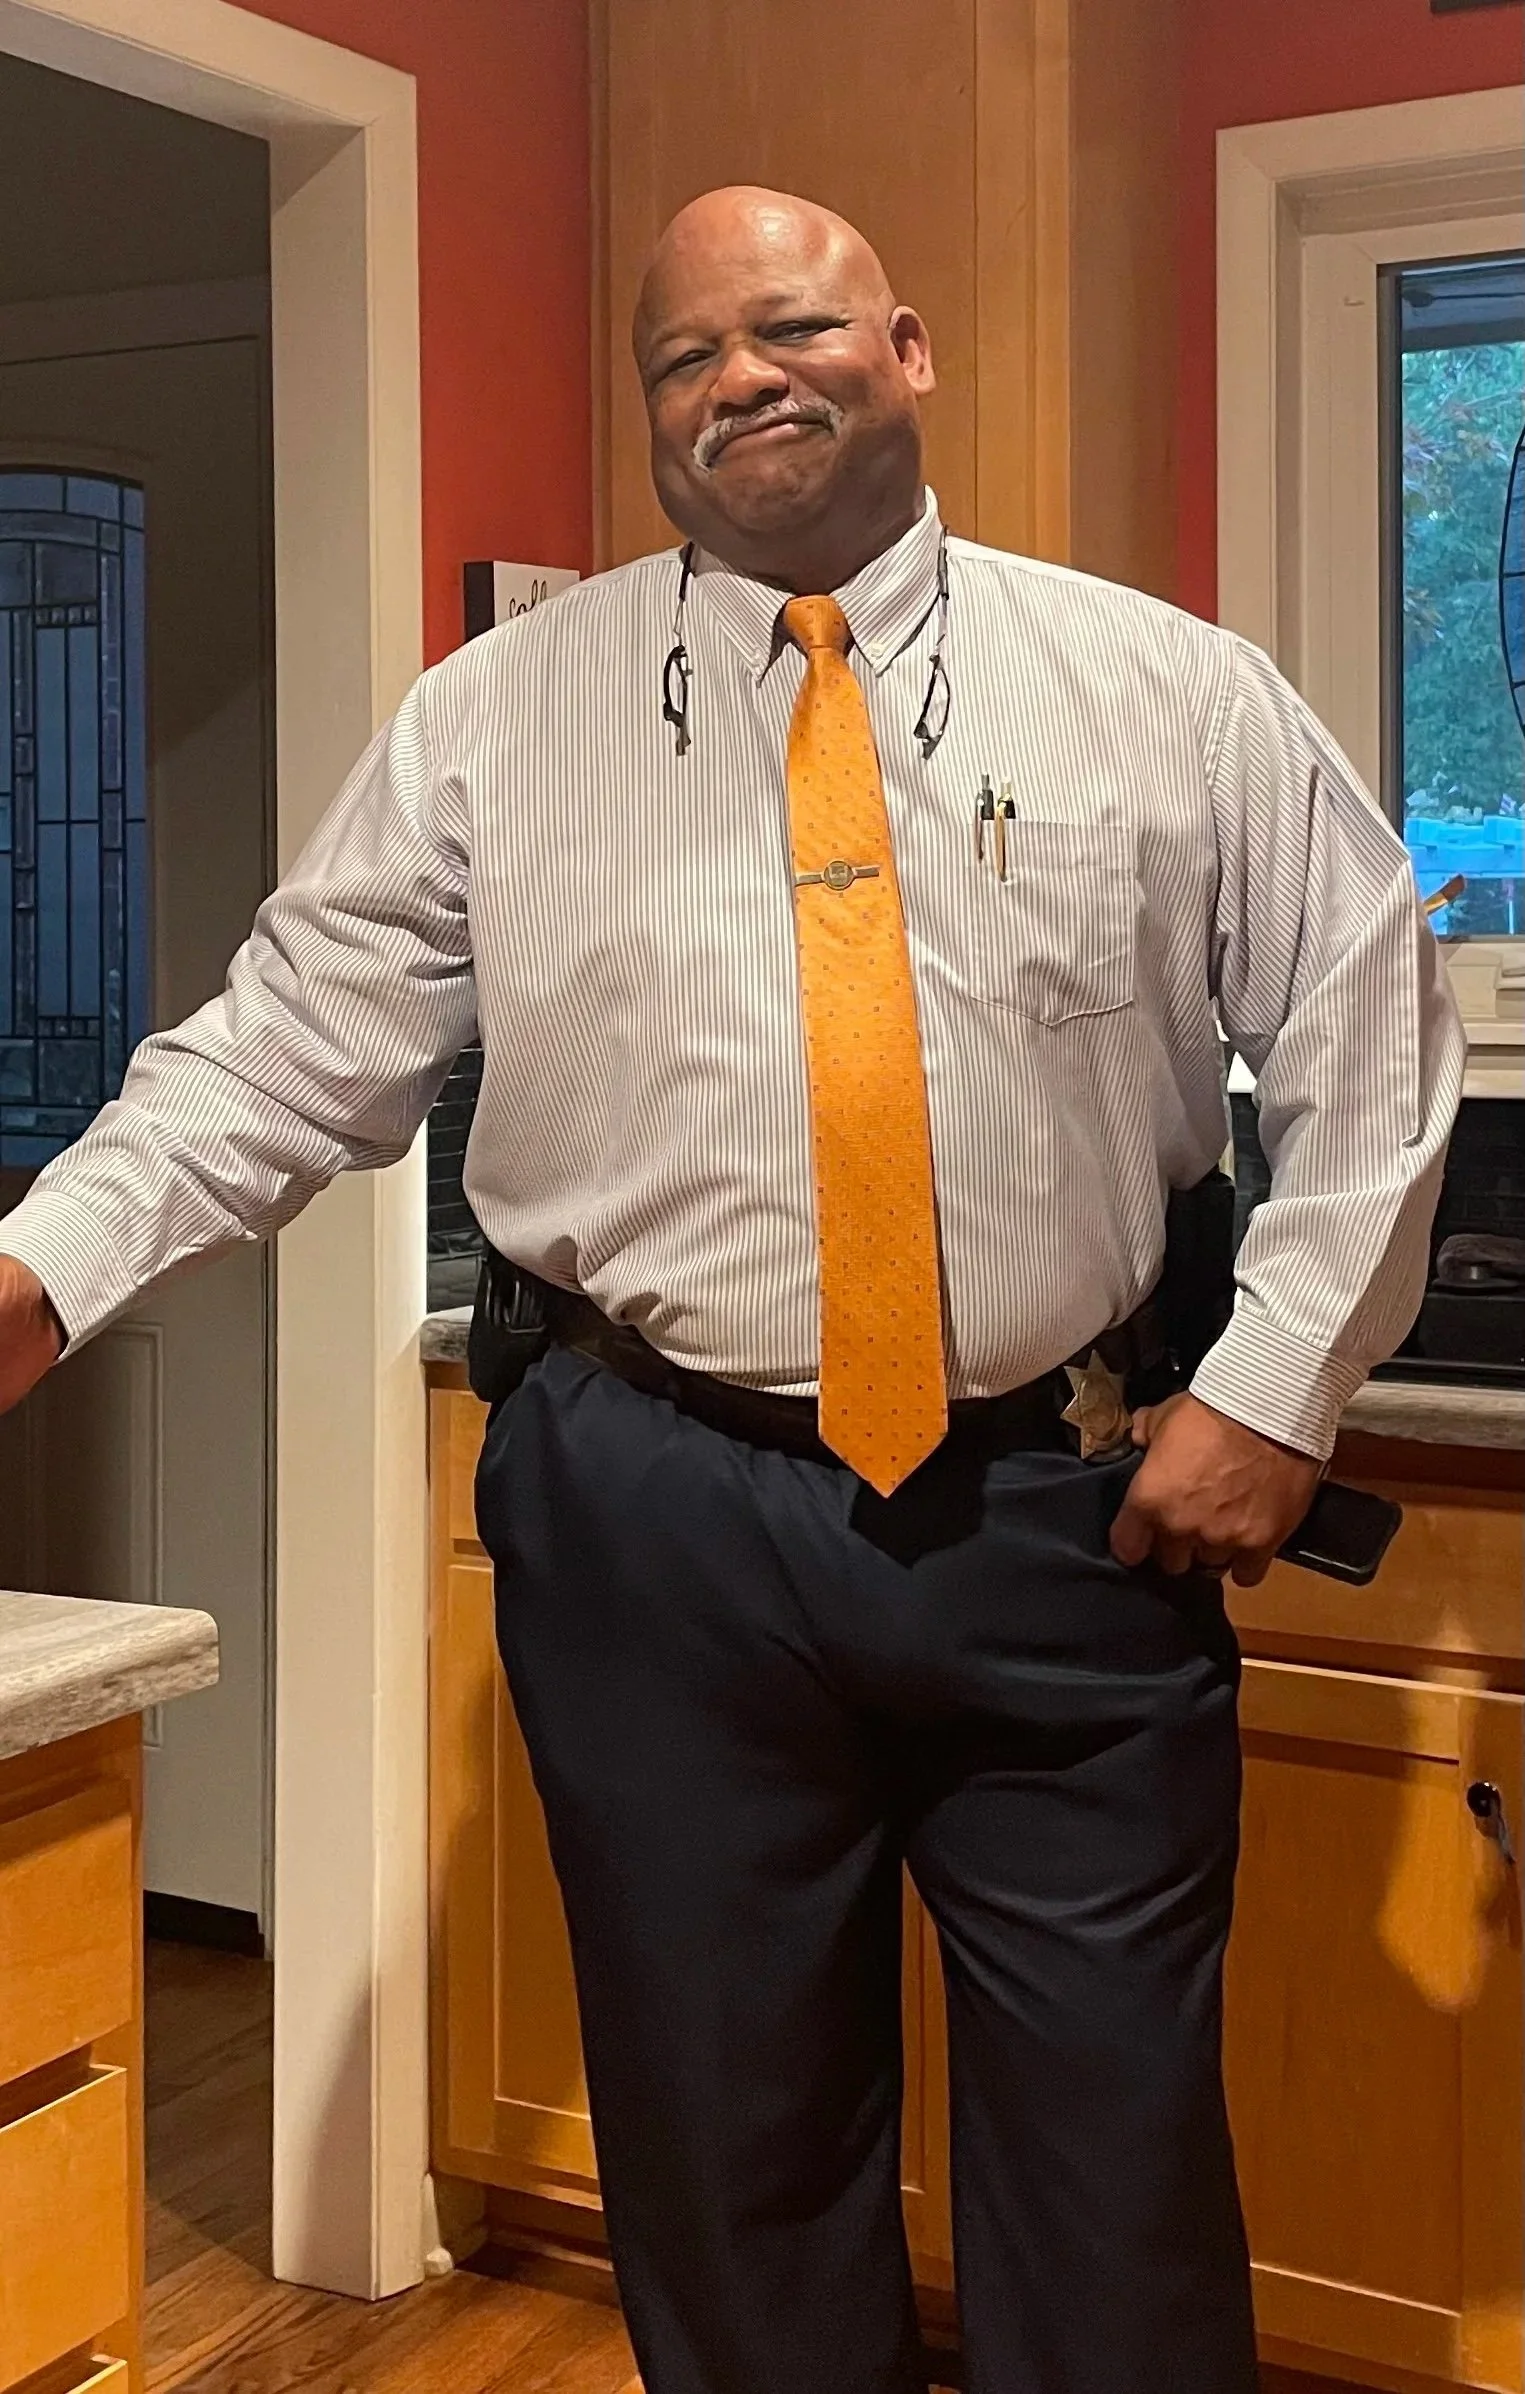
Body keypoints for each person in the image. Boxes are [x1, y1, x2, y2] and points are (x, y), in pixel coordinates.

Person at [0, 187, 1463, 2393]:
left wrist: (1273, 1389)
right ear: (652, 415)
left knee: (1115, 2165)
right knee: (724, 2157)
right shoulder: (496, 723)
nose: (741, 381)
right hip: (650, 1522)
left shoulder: (1170, 694)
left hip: (1061, 1520)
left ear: (909, 345)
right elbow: (282, 1056)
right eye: (683, 359)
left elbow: (1376, 1045)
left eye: (791, 330)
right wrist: (32, 1282)